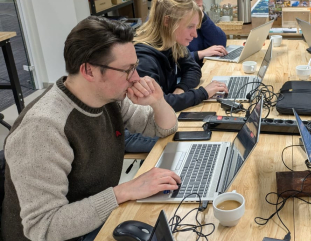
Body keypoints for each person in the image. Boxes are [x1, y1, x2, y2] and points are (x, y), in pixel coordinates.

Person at [1, 16, 181, 241]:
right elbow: (42, 227)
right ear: (89, 71)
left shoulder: (108, 96)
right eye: (127, 70)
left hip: (92, 216)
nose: (136, 78)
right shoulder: (42, 128)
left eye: (135, 67)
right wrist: (123, 192)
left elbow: (164, 128)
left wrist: (157, 101)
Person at [134, 0, 228, 112]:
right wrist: (203, 93)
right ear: (168, 21)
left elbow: (193, 69)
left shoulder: (171, 41)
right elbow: (156, 104)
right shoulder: (143, 58)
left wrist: (180, 90)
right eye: (190, 26)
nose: (195, 34)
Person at [171, 0, 228, 66]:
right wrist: (201, 54)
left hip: (196, 69)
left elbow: (220, 43)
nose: (200, 3)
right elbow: (173, 62)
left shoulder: (196, 14)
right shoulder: (170, 21)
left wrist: (204, 19)